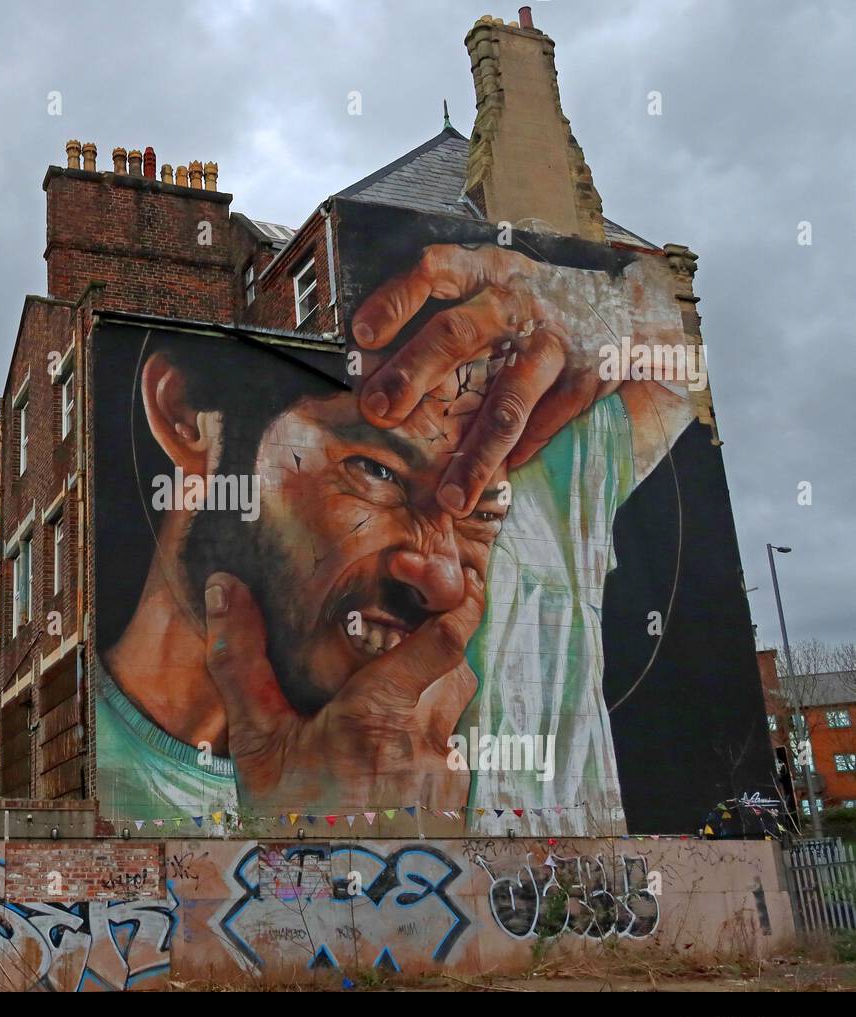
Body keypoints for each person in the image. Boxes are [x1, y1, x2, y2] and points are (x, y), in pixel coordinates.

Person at [97, 241, 699, 833]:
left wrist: (592, 309)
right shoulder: (85, 811)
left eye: (482, 512)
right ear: (185, 416)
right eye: (376, 472)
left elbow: (686, 364)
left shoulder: (538, 466)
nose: (440, 580)